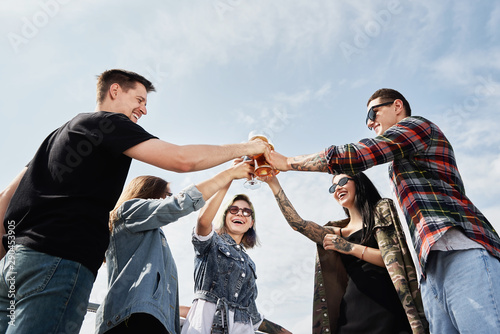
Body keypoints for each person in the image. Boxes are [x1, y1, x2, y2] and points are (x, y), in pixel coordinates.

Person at [0, 69, 269, 334]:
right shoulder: (108, 124)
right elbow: (182, 160)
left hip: (13, 264)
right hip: (59, 261)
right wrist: (247, 150)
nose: (144, 109)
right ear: (115, 90)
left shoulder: (54, 138)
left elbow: (5, 200)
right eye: (139, 100)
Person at [267, 88, 500, 333]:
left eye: (373, 112)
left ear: (397, 106)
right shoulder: (397, 166)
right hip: (429, 270)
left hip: (460, 250)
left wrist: (286, 163)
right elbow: (300, 224)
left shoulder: (417, 127)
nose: (369, 122)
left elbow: (358, 155)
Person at [96, 159, 253, 334]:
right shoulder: (128, 211)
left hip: (153, 321)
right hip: (132, 318)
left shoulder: (156, 240)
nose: (169, 198)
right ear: (151, 192)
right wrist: (228, 175)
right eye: (167, 194)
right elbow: (179, 205)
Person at [265, 172, 427, 333]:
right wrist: (274, 183)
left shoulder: (381, 212)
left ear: (359, 182)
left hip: (389, 309)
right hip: (352, 313)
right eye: (333, 187)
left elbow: (393, 260)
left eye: (342, 181)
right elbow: (298, 224)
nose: (337, 189)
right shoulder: (336, 232)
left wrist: (349, 247)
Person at [181, 180, 291, 333]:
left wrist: (282, 331)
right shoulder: (211, 243)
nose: (240, 213)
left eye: (246, 212)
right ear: (225, 215)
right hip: (206, 324)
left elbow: (253, 316)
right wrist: (229, 179)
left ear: (251, 222)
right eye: (234, 209)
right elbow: (203, 221)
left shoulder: (249, 263)